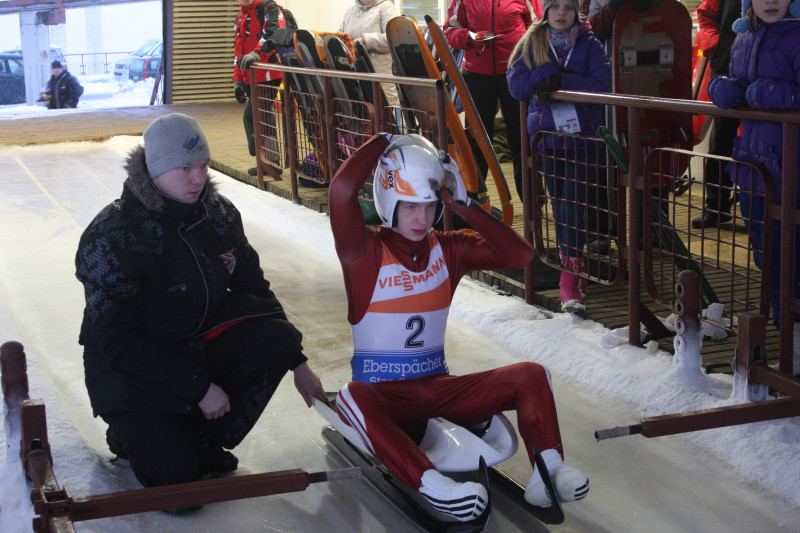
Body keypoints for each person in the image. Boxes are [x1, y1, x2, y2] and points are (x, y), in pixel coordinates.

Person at [328, 133, 589, 522]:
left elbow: (519, 255)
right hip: (383, 398)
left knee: (531, 375)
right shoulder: (362, 252)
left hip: (438, 389)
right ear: (389, 202)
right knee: (350, 395)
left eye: (430, 206)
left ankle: (548, 470)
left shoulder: (448, 248)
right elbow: (341, 191)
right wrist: (382, 141)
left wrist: (466, 206)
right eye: (411, 207)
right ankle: (434, 485)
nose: (422, 218)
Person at [75, 113, 327, 509]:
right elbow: (116, 342)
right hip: (134, 374)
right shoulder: (114, 235)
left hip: (195, 348)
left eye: (204, 165)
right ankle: (131, 433)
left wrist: (298, 362)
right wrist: (197, 389)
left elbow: (253, 288)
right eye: (185, 168)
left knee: (279, 336)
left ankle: (198, 435)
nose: (199, 178)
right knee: (182, 494)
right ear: (155, 170)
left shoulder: (219, 215)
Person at [707, 0, 800, 373]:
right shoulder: (745, 38)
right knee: (769, 257)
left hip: (791, 168)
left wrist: (766, 94)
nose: (771, 1)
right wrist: (720, 88)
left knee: (790, 259)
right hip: (755, 169)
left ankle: (793, 345)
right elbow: (731, 80)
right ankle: (788, 341)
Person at [507, 0, 611, 312]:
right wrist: (549, 72)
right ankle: (573, 267)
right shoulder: (531, 42)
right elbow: (515, 85)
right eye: (555, 7)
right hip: (548, 139)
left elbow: (601, 84)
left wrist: (561, 80)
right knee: (559, 203)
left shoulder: (591, 45)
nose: (561, 13)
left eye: (568, 6)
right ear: (546, 12)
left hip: (582, 140)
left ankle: (571, 280)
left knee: (570, 209)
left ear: (577, 11)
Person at [444, 0, 540, 200]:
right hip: (477, 75)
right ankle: (474, 200)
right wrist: (469, 37)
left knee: (521, 136)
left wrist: (523, 49)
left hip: (516, 72)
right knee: (477, 140)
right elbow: (450, 31)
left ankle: (532, 201)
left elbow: (538, 26)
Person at [692, 0, 741, 229]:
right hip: (727, 70)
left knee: (763, 145)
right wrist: (715, 47)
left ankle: (757, 207)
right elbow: (706, 13)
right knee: (721, 142)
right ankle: (716, 207)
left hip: (767, 73)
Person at [233, 0, 287, 177]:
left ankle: (270, 163)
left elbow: (273, 33)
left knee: (260, 115)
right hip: (251, 75)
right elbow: (239, 50)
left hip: (268, 73)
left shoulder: (269, 7)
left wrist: (257, 53)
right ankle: (265, 161)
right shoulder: (241, 16)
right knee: (256, 117)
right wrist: (238, 80)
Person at [338, 0, 401, 107]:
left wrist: (365, 41)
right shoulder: (350, 12)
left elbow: (395, 37)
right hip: (357, 78)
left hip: (381, 79)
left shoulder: (386, 8)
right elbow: (340, 37)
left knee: (386, 118)